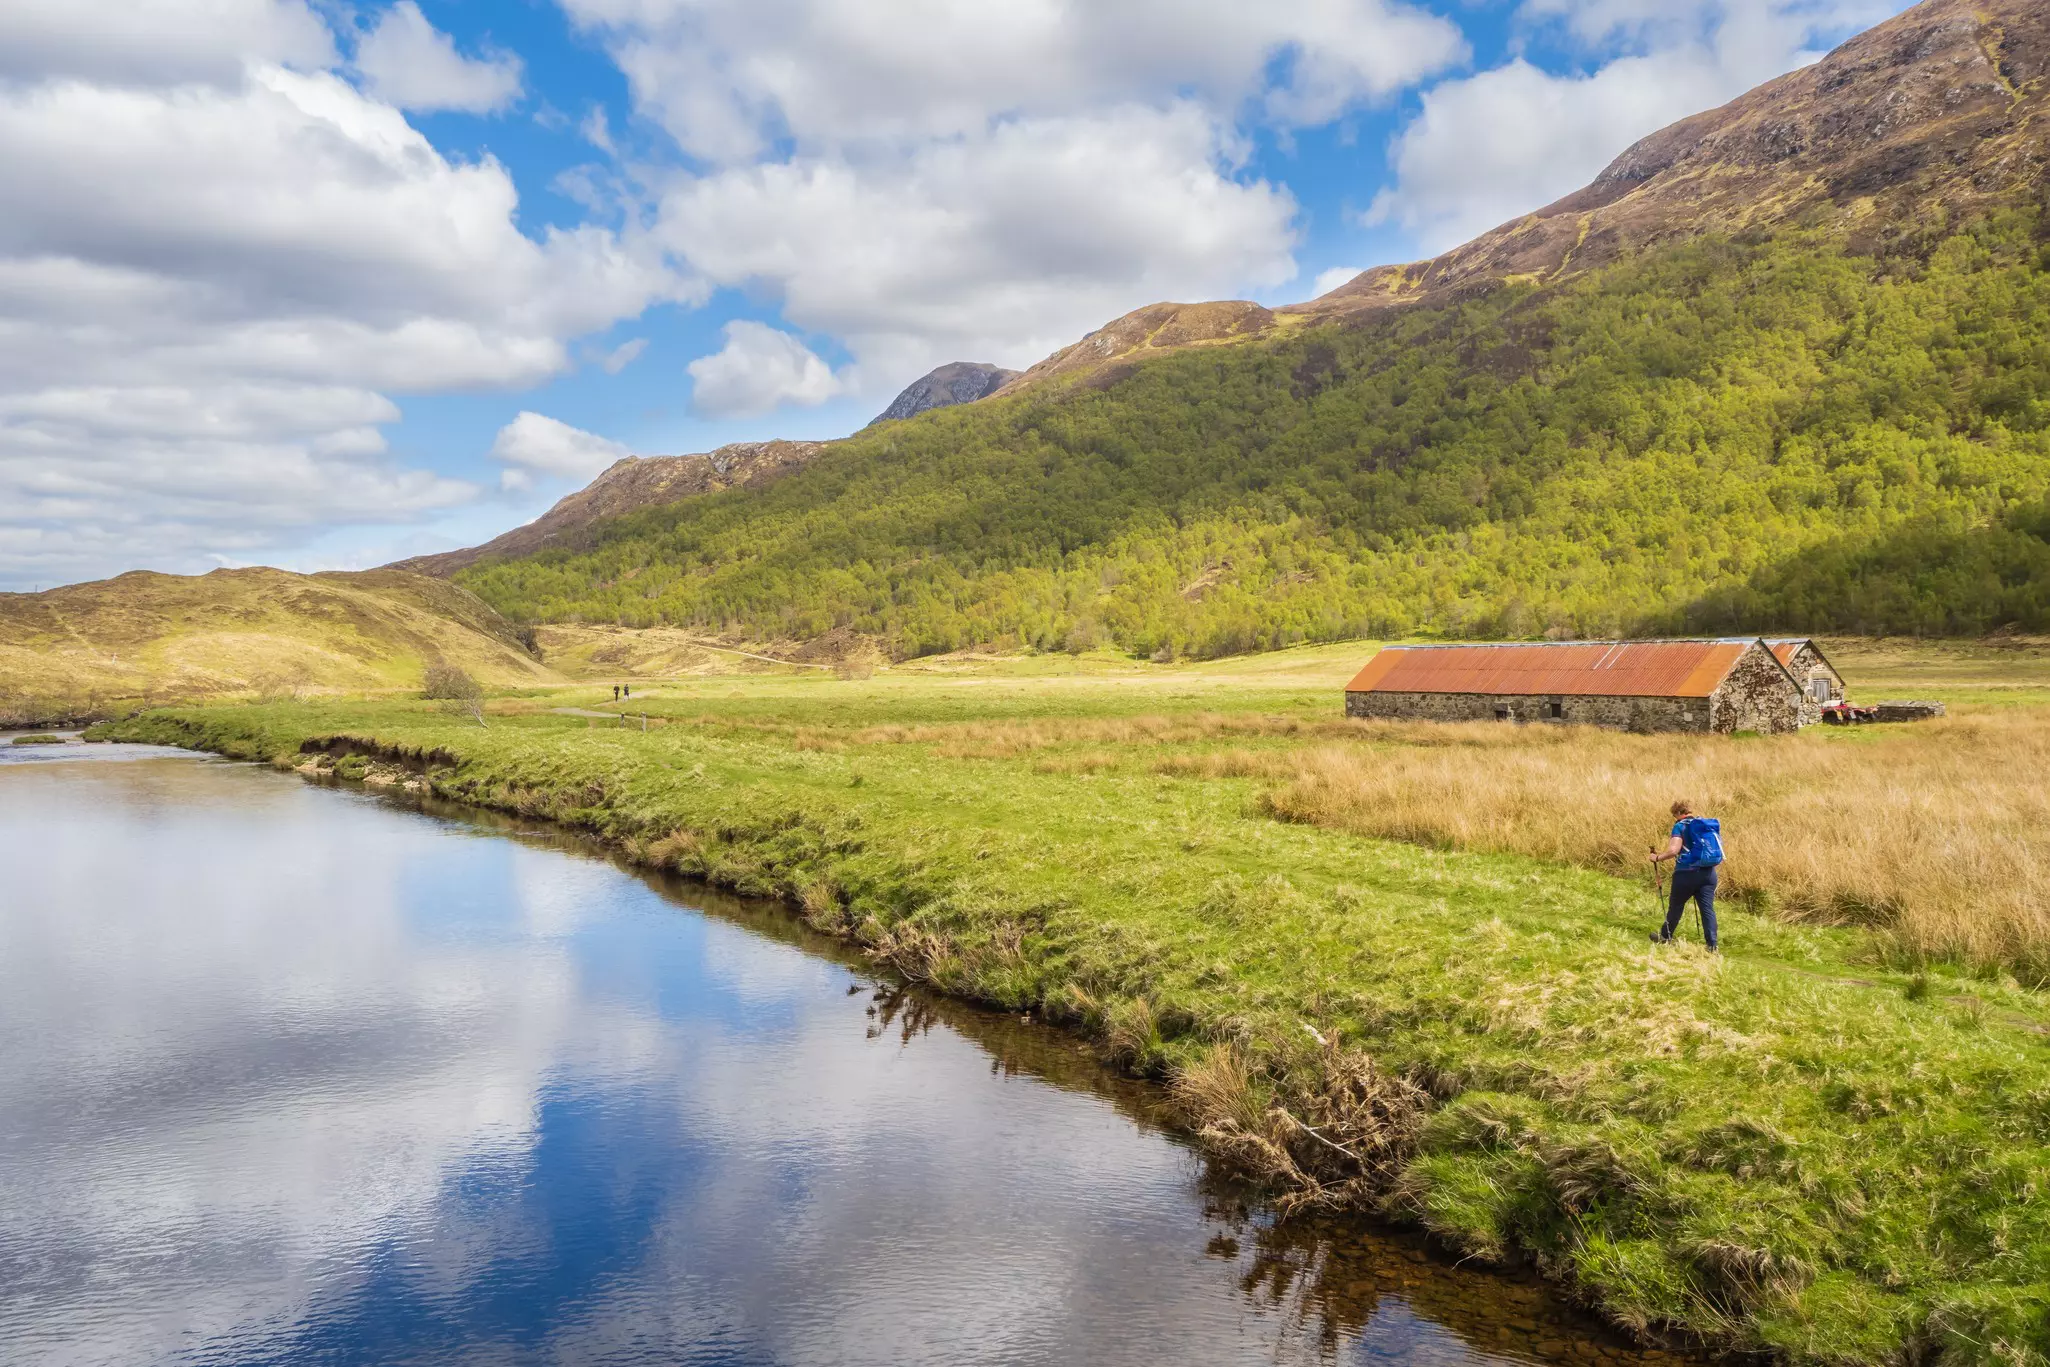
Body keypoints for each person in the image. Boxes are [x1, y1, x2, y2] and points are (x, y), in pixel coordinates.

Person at [1650, 799, 1722, 951]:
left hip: (1686, 874)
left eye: (1674, 815)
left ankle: (1665, 936)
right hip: (1709, 873)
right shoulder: (1704, 825)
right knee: (1707, 909)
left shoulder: (1680, 826)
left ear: (1678, 813)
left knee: (1676, 906)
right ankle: (1712, 945)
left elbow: (1673, 851)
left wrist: (1657, 858)